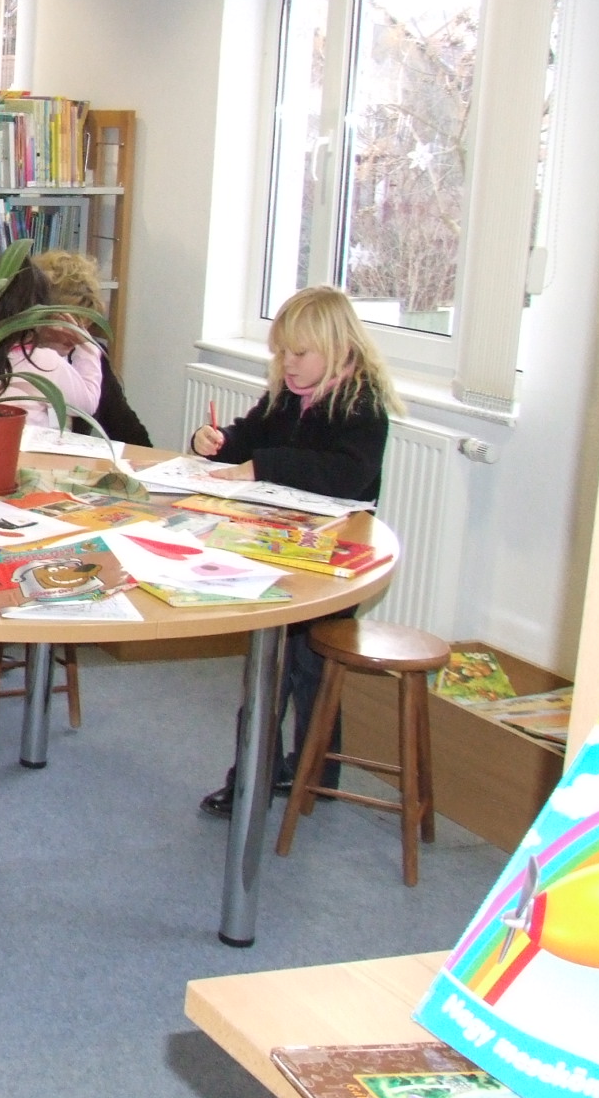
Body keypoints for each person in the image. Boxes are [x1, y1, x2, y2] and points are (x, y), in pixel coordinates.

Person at [189, 284, 400, 817]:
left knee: (310, 670)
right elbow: (249, 436)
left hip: (332, 558)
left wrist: (263, 465)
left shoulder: (363, 406)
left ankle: (314, 772)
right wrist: (216, 441)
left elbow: (344, 474)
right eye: (281, 352)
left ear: (339, 348)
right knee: (273, 670)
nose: (288, 364)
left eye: (299, 353)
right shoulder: (287, 395)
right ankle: (253, 778)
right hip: (280, 545)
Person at [0, 257, 103, 428]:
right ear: (39, 313)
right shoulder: (46, 362)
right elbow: (87, 405)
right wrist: (86, 346)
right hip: (23, 444)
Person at [32, 249, 150, 446]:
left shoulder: (90, 355)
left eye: (84, 324)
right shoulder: (14, 356)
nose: (75, 334)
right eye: (68, 323)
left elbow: (129, 433)